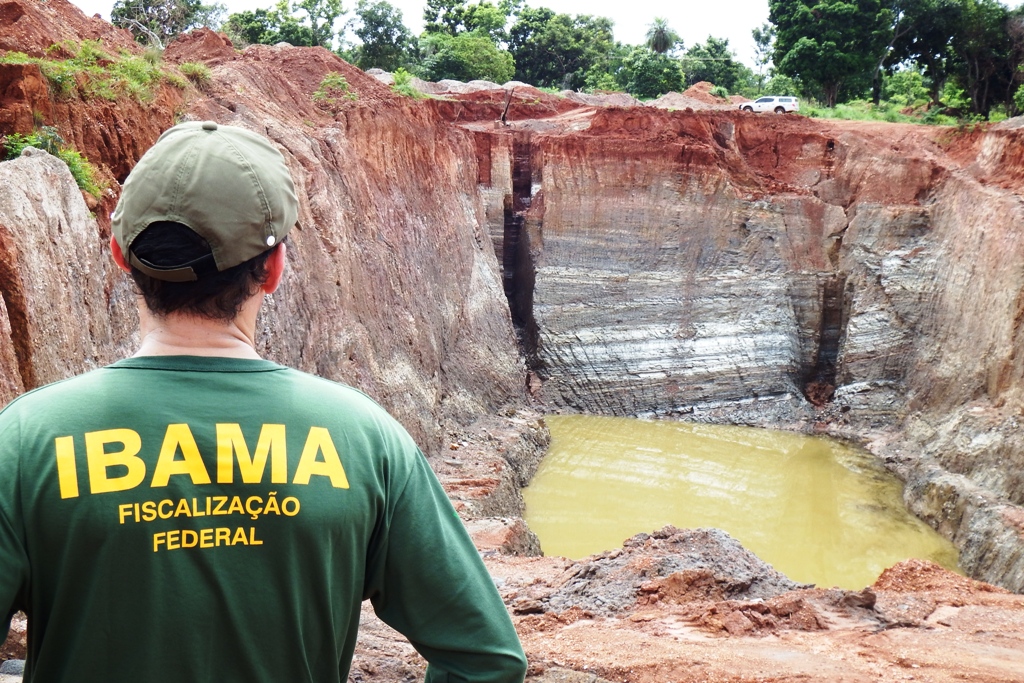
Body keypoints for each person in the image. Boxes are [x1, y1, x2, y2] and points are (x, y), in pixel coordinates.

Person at [0, 121, 527, 683]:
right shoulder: (365, 438)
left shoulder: (26, 440)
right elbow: (485, 662)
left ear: (120, 256)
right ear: (273, 269)